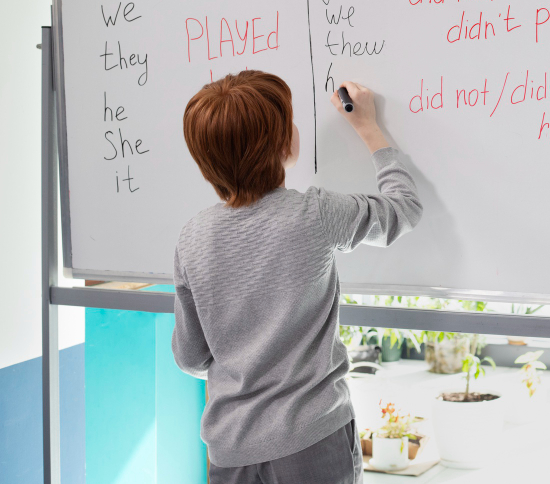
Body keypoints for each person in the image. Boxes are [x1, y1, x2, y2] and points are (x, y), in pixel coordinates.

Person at [172, 71, 422, 483]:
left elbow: (192, 357)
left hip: (231, 454)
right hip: (312, 443)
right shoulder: (313, 215)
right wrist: (369, 128)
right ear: (285, 144)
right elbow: (404, 209)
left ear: (205, 163)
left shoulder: (191, 239)